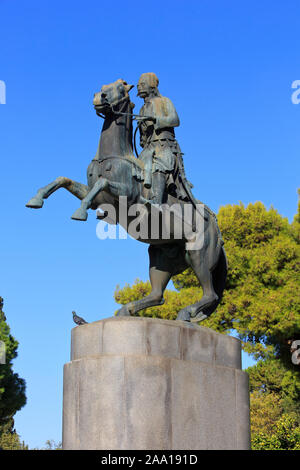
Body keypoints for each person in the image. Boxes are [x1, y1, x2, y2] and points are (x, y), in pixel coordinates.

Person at [136, 72, 189, 205]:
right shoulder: (142, 108)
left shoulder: (165, 101)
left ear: (152, 85)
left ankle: (156, 203)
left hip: (165, 146)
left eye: (142, 84)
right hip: (148, 149)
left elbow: (175, 120)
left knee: (158, 166)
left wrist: (155, 119)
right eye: (138, 85)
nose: (139, 87)